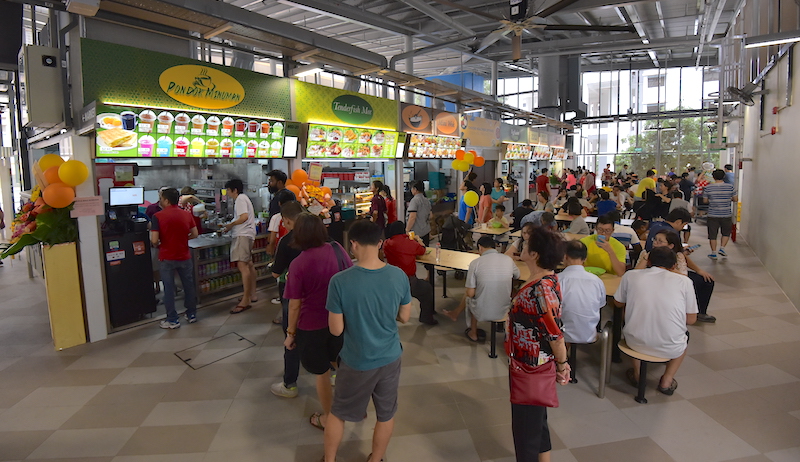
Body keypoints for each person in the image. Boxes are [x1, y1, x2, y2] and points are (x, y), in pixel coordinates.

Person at [323, 220, 411, 462]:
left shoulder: (340, 281)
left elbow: (336, 330)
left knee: (338, 413)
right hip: (390, 357)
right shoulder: (398, 276)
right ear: (380, 243)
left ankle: (329, 459)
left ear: (353, 244)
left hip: (357, 360)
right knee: (385, 414)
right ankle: (376, 458)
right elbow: (404, 317)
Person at [283, 213, 353, 431]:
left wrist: (290, 334)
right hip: (340, 321)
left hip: (311, 326)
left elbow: (294, 305)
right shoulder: (337, 250)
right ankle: (351, 407)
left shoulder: (298, 264)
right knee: (341, 366)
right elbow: (351, 276)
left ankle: (329, 418)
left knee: (322, 374)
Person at [508, 226, 570, 462]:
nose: (522, 245)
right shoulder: (541, 279)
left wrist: (563, 365)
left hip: (532, 368)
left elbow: (555, 334)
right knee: (536, 424)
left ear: (534, 254)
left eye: (526, 243)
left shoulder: (542, 290)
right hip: (525, 363)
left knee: (526, 431)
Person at [615, 247, 698, 395]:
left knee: (630, 317)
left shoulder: (631, 276)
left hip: (634, 341)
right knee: (684, 338)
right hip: (671, 346)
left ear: (649, 262)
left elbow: (618, 303)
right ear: (674, 266)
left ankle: (638, 375)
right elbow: (691, 319)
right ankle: (667, 380)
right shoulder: (685, 282)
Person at [447, 236, 520, 342]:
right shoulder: (508, 259)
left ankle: (473, 333)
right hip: (505, 310)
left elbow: (470, 293)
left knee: (469, 296)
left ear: (480, 248)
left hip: (482, 311)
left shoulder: (475, 263)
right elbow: (517, 275)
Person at [635, 230, 716, 323]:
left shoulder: (677, 256)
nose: (655, 243)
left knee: (705, 281)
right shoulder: (645, 253)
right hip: (648, 284)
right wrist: (646, 258)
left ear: (670, 246)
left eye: (660, 241)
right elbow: (635, 273)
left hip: (669, 285)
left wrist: (667, 265)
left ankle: (699, 312)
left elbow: (683, 277)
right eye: (655, 239)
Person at [270, 201, 305, 398]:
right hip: (318, 294)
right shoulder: (320, 238)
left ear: (287, 221)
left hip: (292, 294)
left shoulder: (287, 241)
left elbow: (276, 273)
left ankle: (290, 383)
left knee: (291, 338)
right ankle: (332, 373)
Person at [150, 188, 199, 328]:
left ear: (166, 200)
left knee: (169, 288)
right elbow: (194, 234)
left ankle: (172, 319)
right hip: (184, 255)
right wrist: (183, 239)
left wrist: (159, 244)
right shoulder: (186, 214)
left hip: (167, 256)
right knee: (188, 286)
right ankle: (191, 314)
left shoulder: (158, 216)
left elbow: (154, 240)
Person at [383, 221, 437, 325]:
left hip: (392, 281)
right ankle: (426, 317)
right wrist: (418, 240)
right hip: (408, 281)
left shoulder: (387, 243)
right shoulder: (410, 243)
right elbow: (422, 251)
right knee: (427, 289)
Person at [559, 241, 607, 344]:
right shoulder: (597, 281)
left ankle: (563, 356)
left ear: (565, 257)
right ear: (585, 259)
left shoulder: (558, 280)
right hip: (590, 333)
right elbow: (601, 305)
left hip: (561, 334)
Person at [222, 179, 258, 314]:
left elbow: (243, 217)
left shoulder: (240, 199)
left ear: (234, 190)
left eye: (228, 190)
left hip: (242, 235)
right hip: (248, 234)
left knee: (242, 266)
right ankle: (252, 294)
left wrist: (230, 225)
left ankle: (246, 300)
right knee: (248, 264)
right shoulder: (244, 198)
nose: (227, 193)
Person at [704, 169, 738, 260]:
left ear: (713, 177)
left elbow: (705, 201)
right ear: (724, 176)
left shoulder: (708, 187)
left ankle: (713, 253)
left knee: (712, 234)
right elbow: (735, 199)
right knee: (726, 233)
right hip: (726, 214)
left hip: (712, 214)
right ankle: (722, 248)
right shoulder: (730, 187)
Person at [405, 180, 432, 245]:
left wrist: (407, 230)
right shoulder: (426, 200)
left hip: (416, 233)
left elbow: (412, 217)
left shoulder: (414, 201)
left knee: (417, 252)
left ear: (415, 189)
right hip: (426, 231)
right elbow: (431, 216)